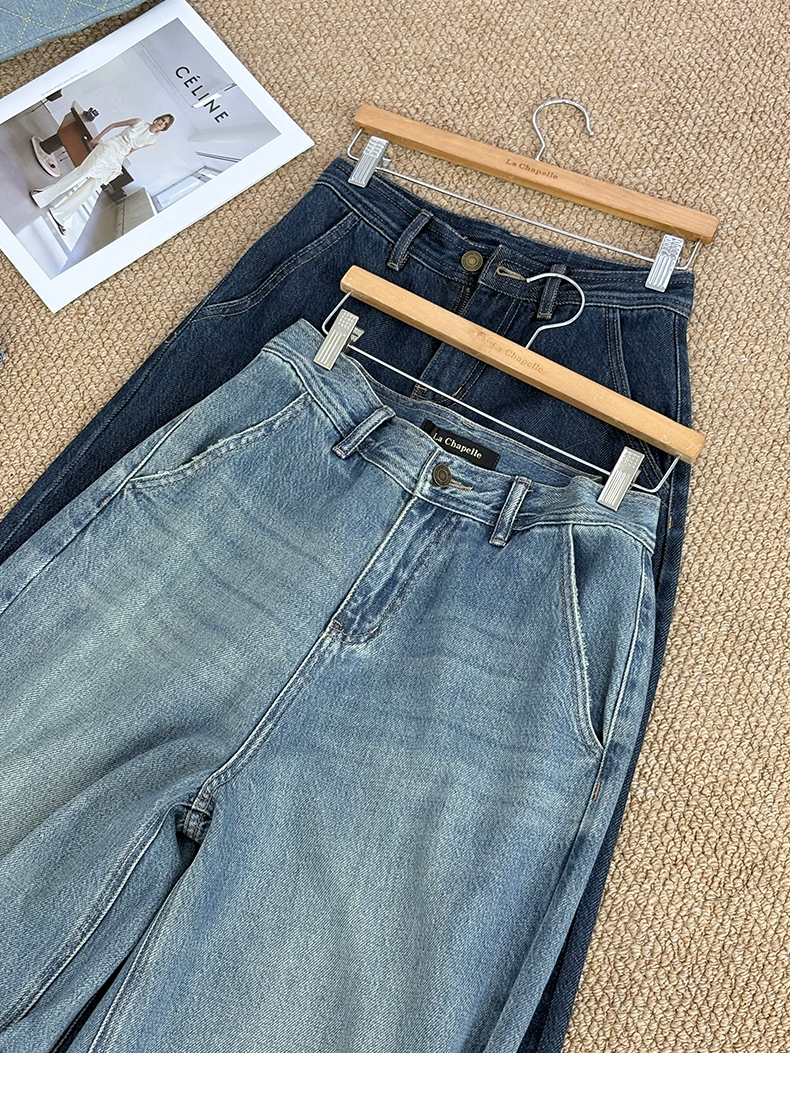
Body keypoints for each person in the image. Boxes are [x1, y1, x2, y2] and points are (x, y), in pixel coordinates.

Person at [29, 113, 175, 234]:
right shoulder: (139, 121)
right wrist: (97, 138)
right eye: (162, 120)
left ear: (164, 128)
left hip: (117, 158)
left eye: (165, 124)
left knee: (91, 187)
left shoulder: (152, 140)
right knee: (81, 173)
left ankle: (62, 215)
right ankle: (42, 197)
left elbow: (132, 150)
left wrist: (120, 161)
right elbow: (114, 125)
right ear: (158, 118)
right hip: (109, 147)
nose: (161, 123)